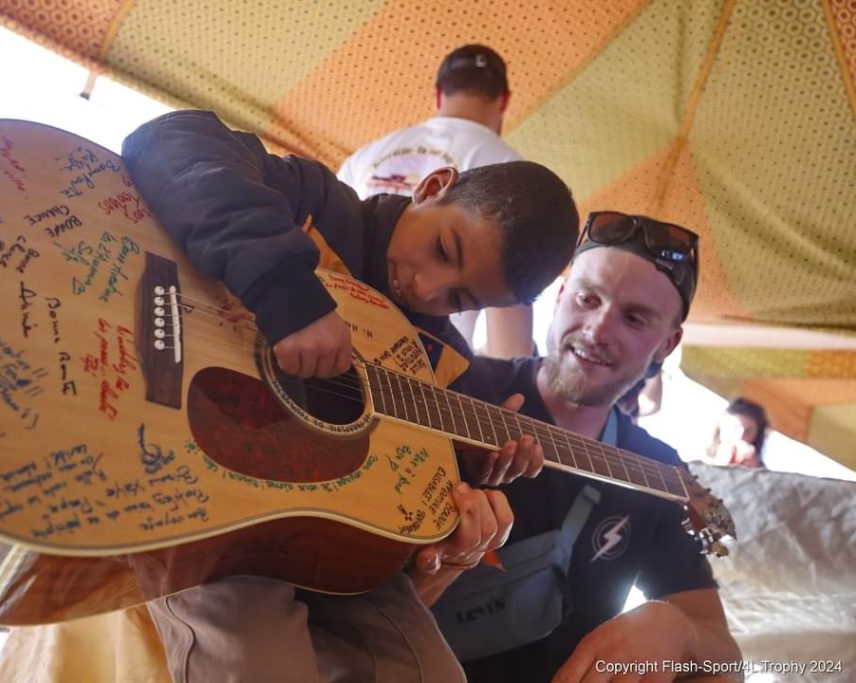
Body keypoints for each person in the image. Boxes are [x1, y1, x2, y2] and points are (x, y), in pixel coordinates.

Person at [121, 109, 580, 682]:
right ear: (432, 187)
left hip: (324, 544)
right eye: (444, 249)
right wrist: (289, 295)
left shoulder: (443, 364)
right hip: (206, 501)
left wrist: (468, 467)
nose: (427, 289)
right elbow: (169, 140)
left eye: (460, 300)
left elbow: (404, 497)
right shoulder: (317, 208)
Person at [432, 211, 742, 682]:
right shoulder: (457, 386)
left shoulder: (658, 472)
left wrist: (678, 630)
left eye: (633, 318)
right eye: (587, 298)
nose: (597, 330)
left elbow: (725, 659)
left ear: (667, 345)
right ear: (560, 298)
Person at [338, 43, 535, 359]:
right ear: (505, 100)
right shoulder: (510, 176)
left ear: (439, 94)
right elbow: (510, 343)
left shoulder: (365, 155)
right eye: (442, 248)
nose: (423, 287)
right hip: (415, 365)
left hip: (326, 329)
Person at [707, 398, 769, 468]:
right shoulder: (701, 459)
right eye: (735, 427)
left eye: (748, 431)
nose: (741, 436)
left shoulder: (759, 469)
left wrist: (753, 469)